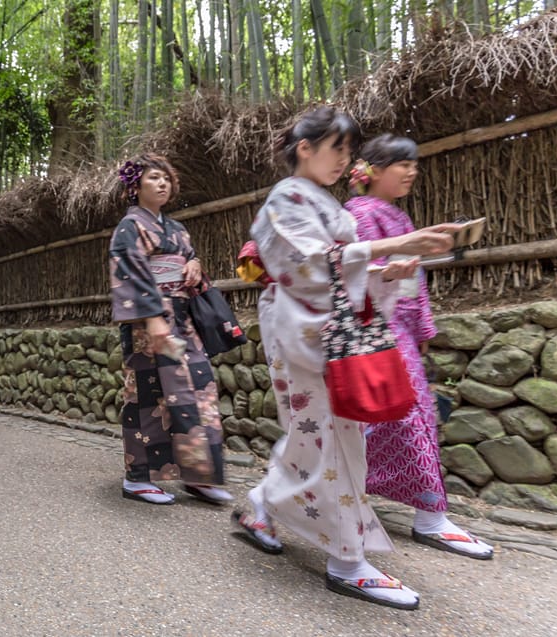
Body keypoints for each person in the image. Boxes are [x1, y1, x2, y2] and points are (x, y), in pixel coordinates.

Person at [237, 106, 456, 610]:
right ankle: (347, 561)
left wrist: (388, 272)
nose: (343, 159)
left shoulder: (327, 205)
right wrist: (393, 244)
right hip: (301, 329)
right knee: (326, 438)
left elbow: (343, 273)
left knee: (325, 435)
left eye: (347, 150)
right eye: (335, 147)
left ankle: (264, 505)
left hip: (327, 329)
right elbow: (309, 268)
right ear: (304, 148)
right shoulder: (284, 199)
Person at [345, 134, 493, 560]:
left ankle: (419, 510)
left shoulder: (399, 216)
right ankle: (426, 516)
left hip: (399, 331)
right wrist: (389, 277)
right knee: (403, 418)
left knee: (413, 417)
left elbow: (414, 281)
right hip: (376, 330)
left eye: (413, 165)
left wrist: (421, 329)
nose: (410, 172)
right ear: (371, 170)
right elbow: (357, 269)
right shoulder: (357, 214)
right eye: (400, 164)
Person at [107, 153, 233, 507]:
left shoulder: (177, 229)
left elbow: (189, 261)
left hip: (182, 318)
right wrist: (151, 318)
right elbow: (128, 273)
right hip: (148, 324)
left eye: (166, 178)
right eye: (153, 178)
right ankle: (139, 477)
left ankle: (199, 474)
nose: (162, 183)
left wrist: (194, 266)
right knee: (148, 398)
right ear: (136, 186)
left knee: (199, 389)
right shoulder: (129, 228)